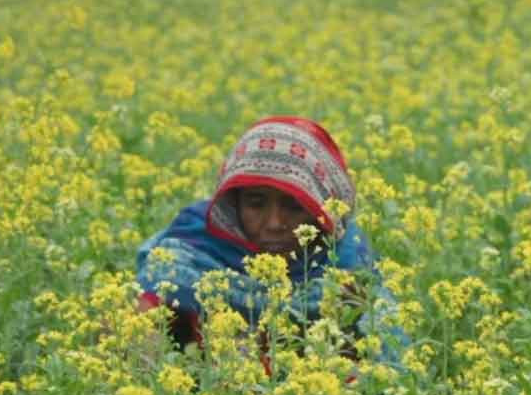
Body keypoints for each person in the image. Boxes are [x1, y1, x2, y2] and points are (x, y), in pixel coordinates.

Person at [135, 116, 397, 360]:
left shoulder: (345, 261)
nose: (274, 224)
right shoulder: (194, 250)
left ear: (323, 209)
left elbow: (384, 366)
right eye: (256, 204)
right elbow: (138, 347)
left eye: (294, 206)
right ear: (233, 204)